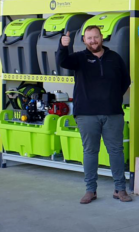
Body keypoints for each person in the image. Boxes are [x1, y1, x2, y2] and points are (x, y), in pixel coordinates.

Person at [56, 25, 132, 204]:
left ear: (102, 37)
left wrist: (112, 98)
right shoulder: (79, 58)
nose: (93, 41)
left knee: (116, 151)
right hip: (86, 114)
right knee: (90, 151)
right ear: (84, 40)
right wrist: (63, 46)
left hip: (112, 113)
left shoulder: (114, 57)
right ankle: (90, 190)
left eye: (96, 37)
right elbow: (62, 62)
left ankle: (120, 189)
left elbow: (125, 80)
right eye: (89, 38)